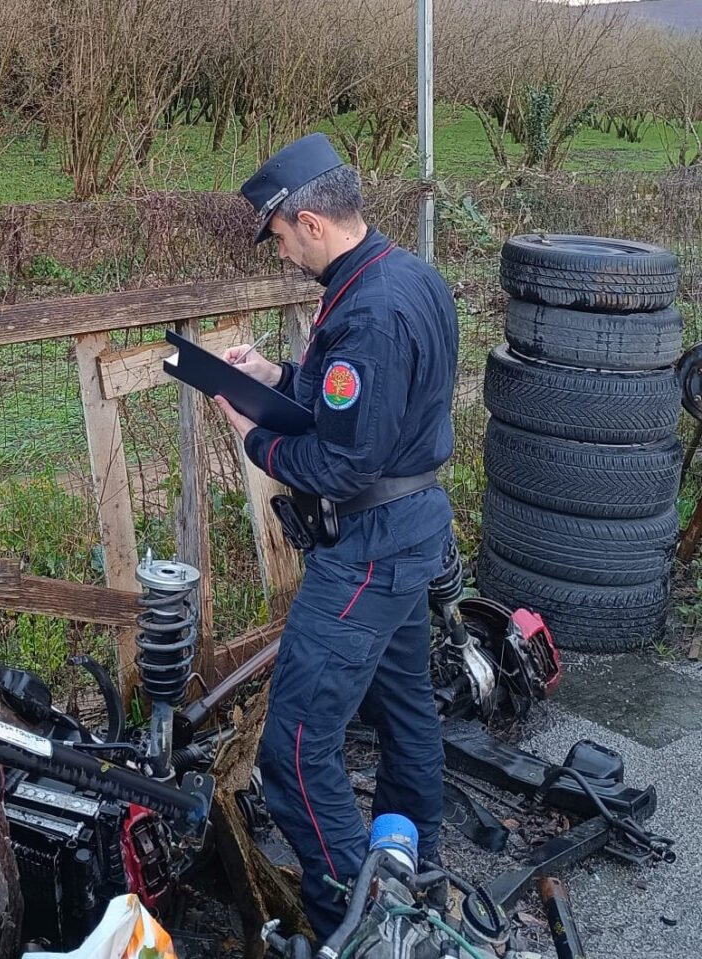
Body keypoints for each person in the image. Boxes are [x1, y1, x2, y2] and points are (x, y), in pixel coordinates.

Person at [214, 132, 459, 940]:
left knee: (292, 749)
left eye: (279, 235)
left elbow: (340, 462)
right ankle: (412, 865)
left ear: (311, 221)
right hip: (412, 532)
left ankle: (352, 925)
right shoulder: (402, 275)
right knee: (405, 706)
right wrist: (277, 377)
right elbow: (358, 401)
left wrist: (248, 430)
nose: (280, 250)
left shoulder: (370, 312)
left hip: (366, 549)